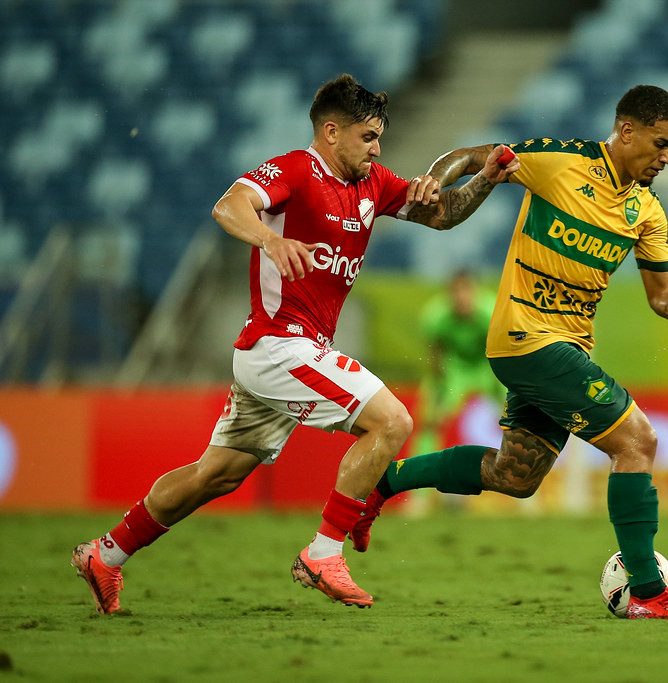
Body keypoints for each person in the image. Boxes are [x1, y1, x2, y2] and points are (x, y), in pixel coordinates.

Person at [71, 73, 519, 614]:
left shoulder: (373, 183)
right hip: (278, 345)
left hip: (288, 353)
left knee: (216, 474)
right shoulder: (295, 170)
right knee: (393, 421)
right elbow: (229, 205)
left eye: (379, 138)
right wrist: (270, 238)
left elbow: (442, 215)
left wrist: (485, 178)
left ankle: (105, 555)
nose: (377, 149)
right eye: (368, 137)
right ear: (331, 132)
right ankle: (323, 554)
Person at [352, 85, 668, 620]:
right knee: (637, 443)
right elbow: (473, 156)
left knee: (515, 476)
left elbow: (665, 297)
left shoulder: (647, 212)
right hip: (526, 339)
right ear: (627, 131)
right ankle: (649, 592)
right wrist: (433, 181)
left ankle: (381, 484)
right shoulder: (561, 163)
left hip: (564, 346)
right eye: (661, 143)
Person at [412, 269, 504, 457]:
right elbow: (436, 354)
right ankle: (421, 470)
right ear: (448, 294)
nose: (461, 297)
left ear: (476, 292)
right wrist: (438, 389)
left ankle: (525, 472)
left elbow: (503, 354)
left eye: (466, 290)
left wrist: (504, 392)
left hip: (487, 364)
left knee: (516, 413)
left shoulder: (491, 312)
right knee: (430, 420)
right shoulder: (436, 315)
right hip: (455, 366)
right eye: (456, 291)